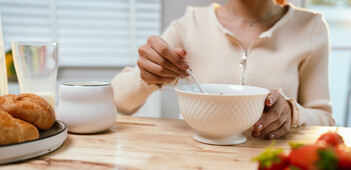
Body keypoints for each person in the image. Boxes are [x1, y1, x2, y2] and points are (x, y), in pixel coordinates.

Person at [112, 0, 335, 140]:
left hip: (269, 167)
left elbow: (325, 119)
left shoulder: (311, 26)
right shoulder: (191, 23)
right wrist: (146, 76)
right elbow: (119, 101)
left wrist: (292, 112)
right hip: (193, 161)